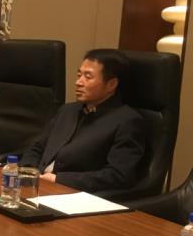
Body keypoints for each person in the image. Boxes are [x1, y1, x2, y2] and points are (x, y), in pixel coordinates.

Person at [21, 48, 146, 194]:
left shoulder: (127, 121)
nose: (78, 82)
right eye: (79, 75)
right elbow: (38, 147)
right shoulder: (67, 110)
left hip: (73, 193)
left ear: (111, 84)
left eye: (88, 77)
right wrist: (28, 171)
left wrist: (59, 179)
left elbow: (118, 175)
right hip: (37, 185)